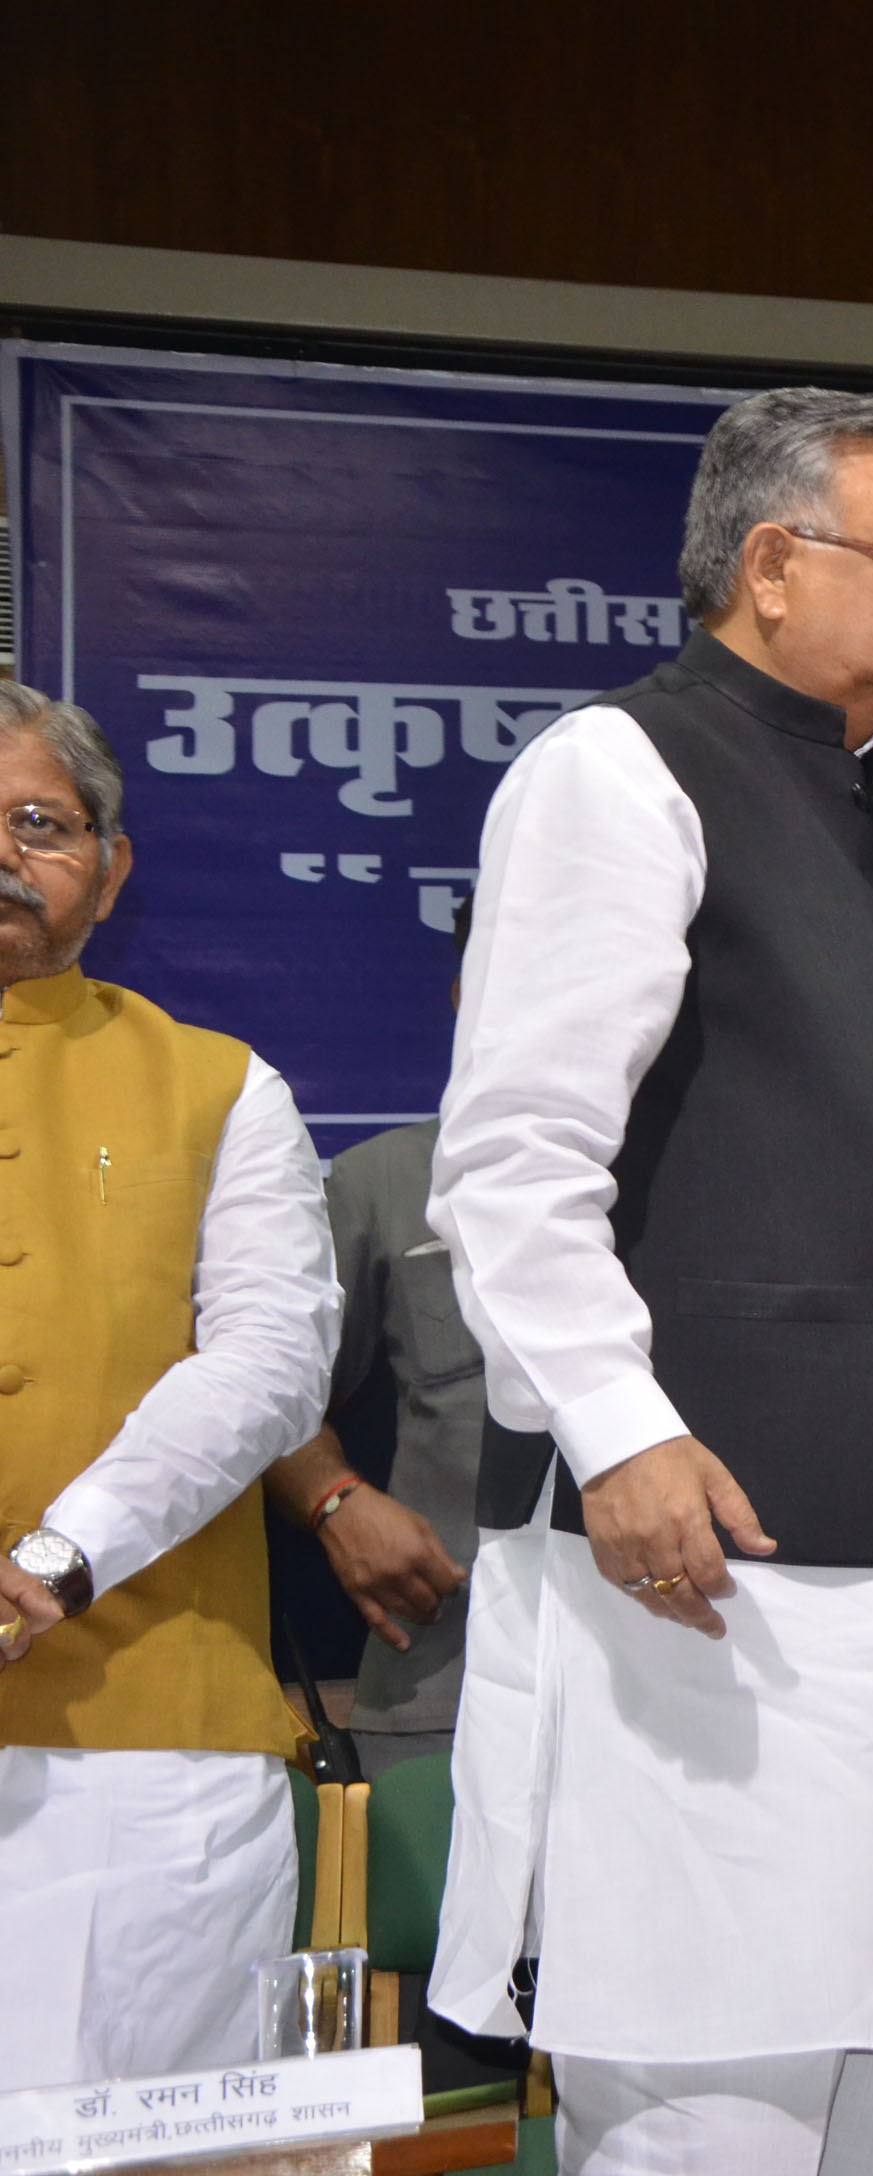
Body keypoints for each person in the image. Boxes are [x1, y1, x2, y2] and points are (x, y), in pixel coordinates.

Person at [426, 388, 873, 2176]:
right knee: (707, 2102)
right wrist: (616, 1431)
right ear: (770, 564)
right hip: (706, 1576)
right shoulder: (616, 770)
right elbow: (515, 1164)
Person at [0, 683, 339, 2088]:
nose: (6, 854)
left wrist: (59, 1555)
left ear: (110, 866)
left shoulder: (221, 1087)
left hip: (139, 1754)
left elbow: (267, 1365)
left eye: (40, 823)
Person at [262, 902, 480, 1777]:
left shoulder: (732, 1184)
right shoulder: (382, 1181)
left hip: (699, 1666)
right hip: (448, 1680)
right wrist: (335, 1500)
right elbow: (260, 1390)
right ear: (467, 994)